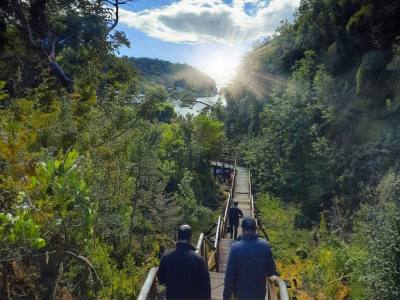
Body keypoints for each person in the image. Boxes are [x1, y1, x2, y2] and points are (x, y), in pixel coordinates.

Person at [223, 217, 277, 300]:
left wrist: (226, 297)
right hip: (258, 294)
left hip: (240, 294)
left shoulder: (235, 248)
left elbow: (229, 277)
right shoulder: (266, 246)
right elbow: (271, 271)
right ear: (255, 229)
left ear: (243, 230)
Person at [157, 224, 211, 300]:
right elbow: (206, 287)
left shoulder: (166, 257)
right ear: (190, 238)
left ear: (177, 237)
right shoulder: (199, 260)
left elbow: (161, 279)